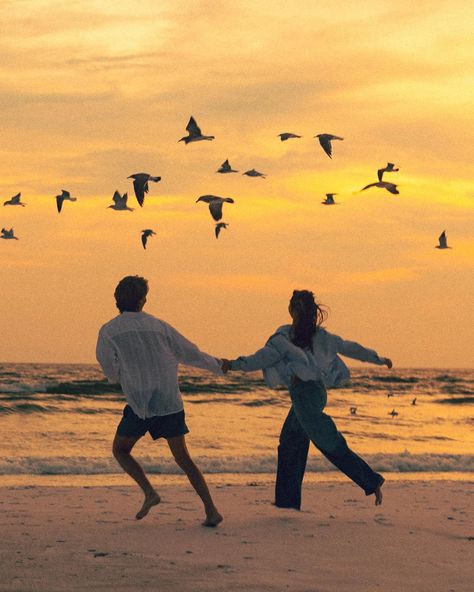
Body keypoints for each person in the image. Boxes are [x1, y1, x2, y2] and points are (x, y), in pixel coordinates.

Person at [222, 289, 392, 509]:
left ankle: (371, 481)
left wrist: (233, 364)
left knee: (329, 442)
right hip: (317, 393)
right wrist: (378, 359)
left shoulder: (284, 338)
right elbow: (351, 347)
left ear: (291, 310)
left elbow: (260, 359)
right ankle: (287, 502)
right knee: (291, 442)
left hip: (304, 397)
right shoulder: (321, 337)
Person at [96, 275, 223, 526]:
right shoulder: (159, 326)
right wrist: (219, 367)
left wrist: (122, 375)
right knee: (183, 458)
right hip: (167, 400)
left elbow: (108, 367)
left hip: (139, 402)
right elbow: (191, 353)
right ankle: (211, 510)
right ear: (143, 300)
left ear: (117, 301)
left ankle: (150, 492)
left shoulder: (109, 330)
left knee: (121, 450)